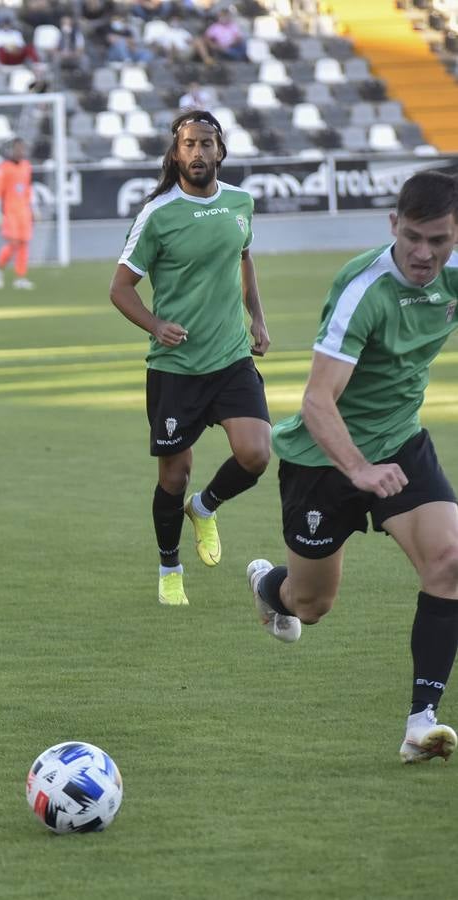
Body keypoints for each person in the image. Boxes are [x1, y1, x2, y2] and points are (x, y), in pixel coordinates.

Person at [246, 171, 458, 764]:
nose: (423, 253)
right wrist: (360, 469)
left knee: (450, 562)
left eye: (438, 240)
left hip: (401, 443)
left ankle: (421, 724)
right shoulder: (363, 288)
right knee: (311, 605)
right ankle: (269, 587)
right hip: (324, 457)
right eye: (412, 236)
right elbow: (317, 401)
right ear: (393, 225)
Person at [108, 110, 272, 607]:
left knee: (256, 453)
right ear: (175, 153)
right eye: (189, 145)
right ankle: (169, 566)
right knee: (172, 477)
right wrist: (156, 325)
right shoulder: (158, 214)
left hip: (230, 359)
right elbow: (120, 289)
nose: (198, 153)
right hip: (176, 368)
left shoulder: (241, 203)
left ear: (220, 151)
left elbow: (244, 258)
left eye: (206, 144)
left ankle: (205, 507)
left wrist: (257, 318)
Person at [0, 137, 35, 290]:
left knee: (23, 244)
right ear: (11, 150)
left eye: (22, 148)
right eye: (18, 148)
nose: (21, 151)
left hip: (24, 211)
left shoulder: (26, 166)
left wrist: (34, 209)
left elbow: (28, 189)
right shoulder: (3, 168)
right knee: (13, 243)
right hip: (10, 212)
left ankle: (20, 277)